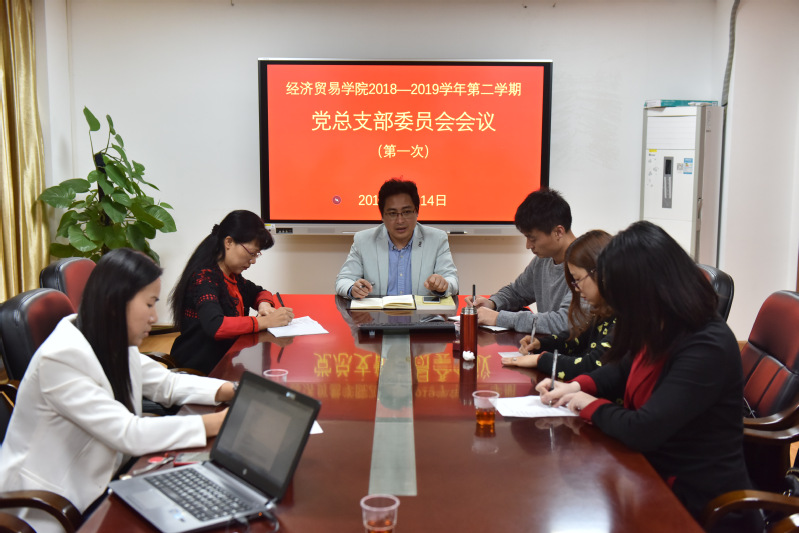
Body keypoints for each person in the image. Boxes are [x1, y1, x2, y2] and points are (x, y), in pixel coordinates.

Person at [537, 221, 758, 529]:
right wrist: (576, 386)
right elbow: (621, 367)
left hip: (697, 505)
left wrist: (589, 405)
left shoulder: (707, 345)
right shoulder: (660, 323)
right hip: (646, 476)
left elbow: (644, 428)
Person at [0, 248, 236, 533]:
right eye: (149, 304)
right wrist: (219, 422)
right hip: (57, 505)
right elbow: (128, 433)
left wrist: (233, 390)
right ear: (115, 303)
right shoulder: (61, 358)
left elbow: (167, 383)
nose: (154, 316)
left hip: (108, 477)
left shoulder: (109, 337)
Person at [170, 210, 293, 372]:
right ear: (229, 242)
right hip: (199, 369)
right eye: (251, 253)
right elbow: (216, 325)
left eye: (257, 254)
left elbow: (260, 292)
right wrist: (265, 322)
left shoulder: (232, 276)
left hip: (225, 362)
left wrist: (264, 305)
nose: (253, 261)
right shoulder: (204, 278)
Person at [501, 230, 615, 381]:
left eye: (578, 279)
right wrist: (541, 344)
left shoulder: (624, 321)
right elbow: (576, 339)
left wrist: (540, 360)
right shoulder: (603, 312)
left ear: (600, 273)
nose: (576, 288)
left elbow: (589, 366)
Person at [466, 188, 576, 334]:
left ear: (558, 232)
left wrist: (499, 318)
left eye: (532, 238)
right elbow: (517, 292)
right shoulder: (543, 260)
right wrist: (492, 303)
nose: (528, 246)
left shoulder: (586, 266)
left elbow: (563, 322)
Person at [335, 178, 459, 299]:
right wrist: (353, 289)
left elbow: (452, 280)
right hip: (377, 312)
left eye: (407, 212)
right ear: (382, 216)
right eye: (392, 213)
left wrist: (443, 285)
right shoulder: (363, 240)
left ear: (417, 212)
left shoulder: (437, 239)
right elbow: (343, 280)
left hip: (420, 313)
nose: (400, 220)